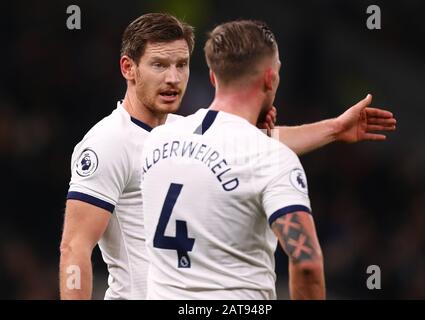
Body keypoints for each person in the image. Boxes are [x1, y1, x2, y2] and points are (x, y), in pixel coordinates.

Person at [59, 13, 396, 300]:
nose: (173, 78)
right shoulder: (108, 142)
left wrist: (334, 129)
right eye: (159, 65)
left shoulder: (175, 131)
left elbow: (259, 146)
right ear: (128, 68)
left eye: (181, 65)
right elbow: (74, 248)